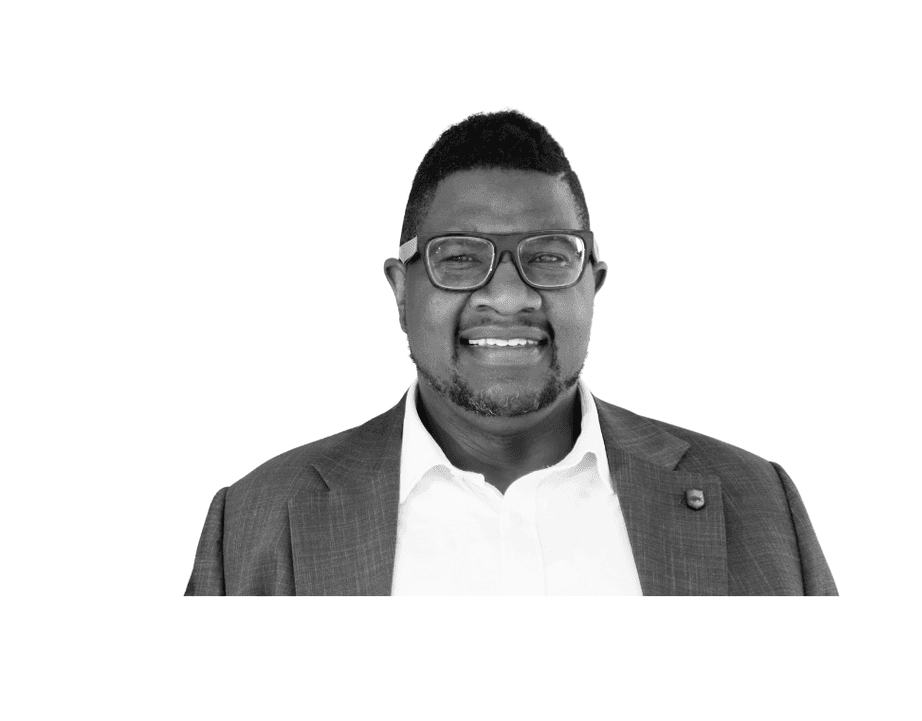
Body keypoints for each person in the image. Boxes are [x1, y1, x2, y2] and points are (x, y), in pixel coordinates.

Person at [185, 110, 837, 596]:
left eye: (548, 257)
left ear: (593, 284)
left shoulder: (759, 505)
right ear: (401, 291)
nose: (508, 296)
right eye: (459, 258)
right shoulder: (254, 524)